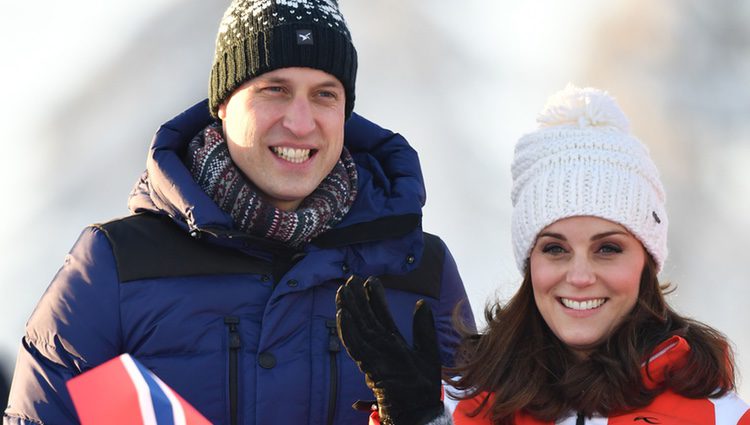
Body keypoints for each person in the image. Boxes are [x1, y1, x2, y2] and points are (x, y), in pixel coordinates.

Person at [3, 1, 473, 424]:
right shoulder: (116, 266)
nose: (301, 122)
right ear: (223, 104)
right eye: (275, 89)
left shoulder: (418, 270)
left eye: (325, 94)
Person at [336, 85, 750, 425]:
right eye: (555, 249)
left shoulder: (722, 416)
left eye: (608, 248)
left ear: (646, 261)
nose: (581, 275)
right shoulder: (462, 407)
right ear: (529, 261)